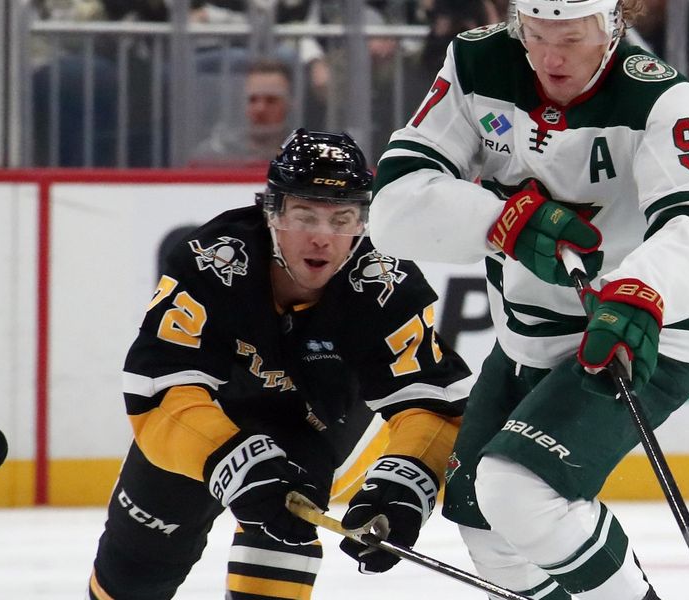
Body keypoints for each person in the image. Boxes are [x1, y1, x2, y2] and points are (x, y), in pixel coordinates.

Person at [368, 1, 689, 599]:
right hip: (527, 337)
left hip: (639, 329)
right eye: (535, 36)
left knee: (518, 489)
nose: (550, 57)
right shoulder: (477, 62)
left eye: (571, 38)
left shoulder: (660, 97)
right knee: (486, 528)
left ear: (614, 23)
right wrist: (499, 219)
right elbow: (394, 206)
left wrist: (641, 290)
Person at [87, 128, 471, 600]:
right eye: (305, 214)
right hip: (202, 420)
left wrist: (404, 485)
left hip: (312, 430)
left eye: (342, 218)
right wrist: (232, 458)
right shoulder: (214, 260)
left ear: (363, 222)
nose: (322, 239)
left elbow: (430, 404)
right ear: (272, 211)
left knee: (279, 552)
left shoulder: (384, 284)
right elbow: (158, 388)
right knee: (132, 574)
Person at [190, 58, 294, 167]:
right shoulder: (214, 155)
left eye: (271, 100)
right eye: (252, 99)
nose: (260, 108)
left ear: (289, 103)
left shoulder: (304, 156)